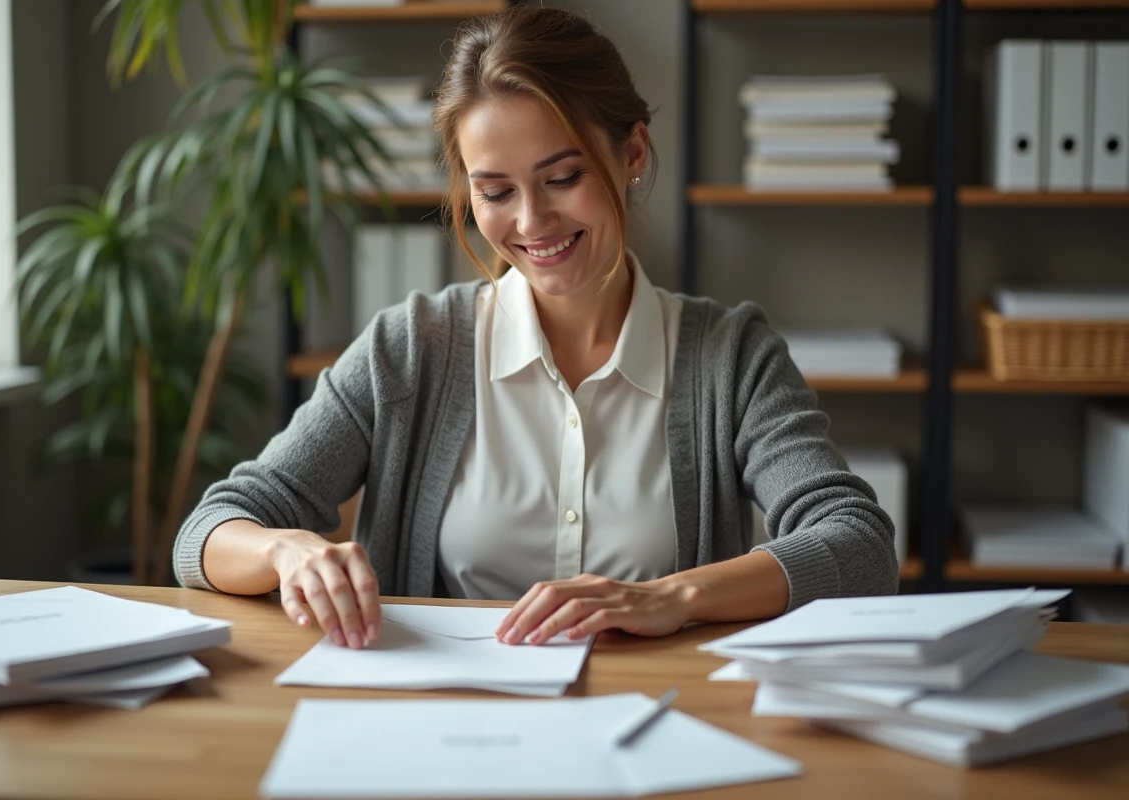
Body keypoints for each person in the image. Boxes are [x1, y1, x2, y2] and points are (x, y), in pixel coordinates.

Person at [172, 5, 898, 652]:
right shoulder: (411, 347)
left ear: (632, 154)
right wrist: (289, 552)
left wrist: (672, 597)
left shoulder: (730, 358)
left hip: (656, 728)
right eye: (494, 191)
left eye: (561, 178)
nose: (530, 223)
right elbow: (209, 532)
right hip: (440, 732)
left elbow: (860, 546)